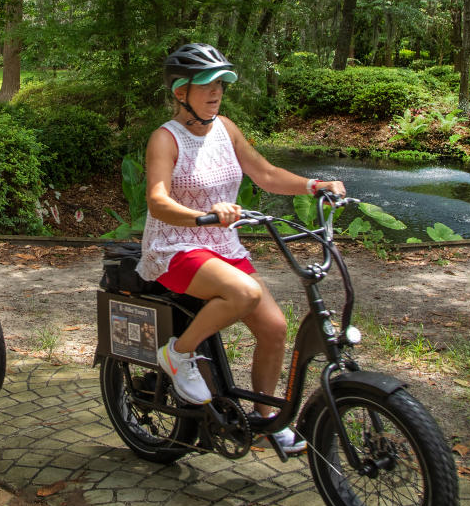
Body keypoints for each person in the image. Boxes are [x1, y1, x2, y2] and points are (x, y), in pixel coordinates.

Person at [137, 43, 345, 455]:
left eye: (220, 84)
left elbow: (265, 173)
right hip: (176, 245)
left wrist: (313, 185)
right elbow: (157, 201)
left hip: (221, 245)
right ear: (181, 91)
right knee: (245, 293)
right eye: (205, 85)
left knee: (274, 328)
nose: (216, 92)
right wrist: (201, 215)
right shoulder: (165, 139)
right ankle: (178, 354)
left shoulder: (226, 129)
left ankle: (267, 421)